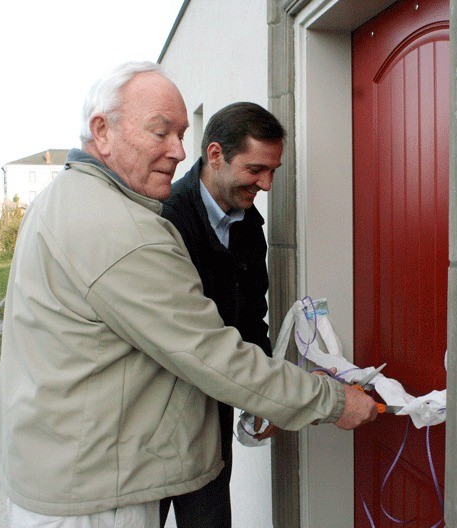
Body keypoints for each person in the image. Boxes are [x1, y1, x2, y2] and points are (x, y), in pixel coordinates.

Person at [0, 62, 377, 527]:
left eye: (181, 133)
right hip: (103, 488)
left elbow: (244, 322)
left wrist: (261, 399)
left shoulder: (68, 198)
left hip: (102, 460)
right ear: (102, 130)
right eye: (161, 133)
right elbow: (206, 349)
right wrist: (331, 400)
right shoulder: (130, 229)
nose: (178, 151)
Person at [160, 102, 284, 528]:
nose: (265, 183)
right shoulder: (164, 219)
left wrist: (263, 395)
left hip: (212, 413)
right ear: (215, 155)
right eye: (256, 169)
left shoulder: (248, 224)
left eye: (272, 171)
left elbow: (252, 318)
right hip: (153, 420)